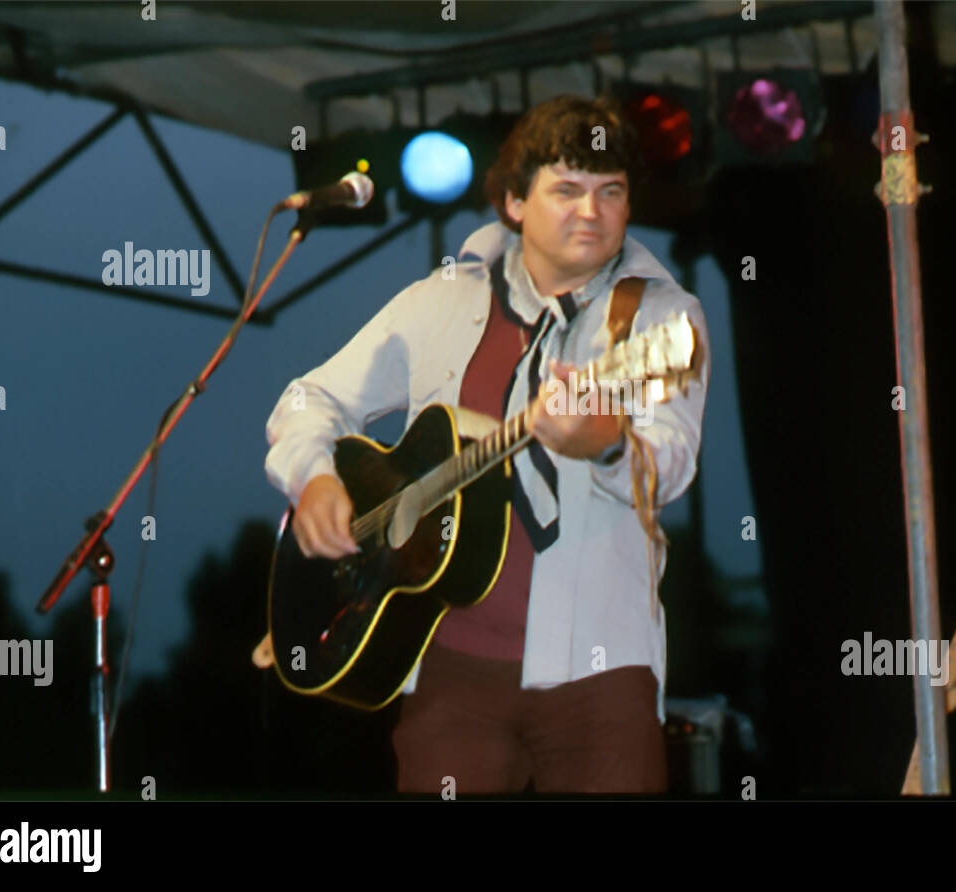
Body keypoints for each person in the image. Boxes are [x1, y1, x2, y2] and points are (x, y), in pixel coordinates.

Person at [263, 94, 710, 794]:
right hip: (447, 664)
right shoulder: (439, 301)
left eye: (610, 192)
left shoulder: (658, 319)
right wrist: (315, 479)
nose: (590, 212)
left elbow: (672, 460)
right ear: (512, 203)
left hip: (600, 670)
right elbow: (307, 399)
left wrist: (603, 442)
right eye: (566, 189)